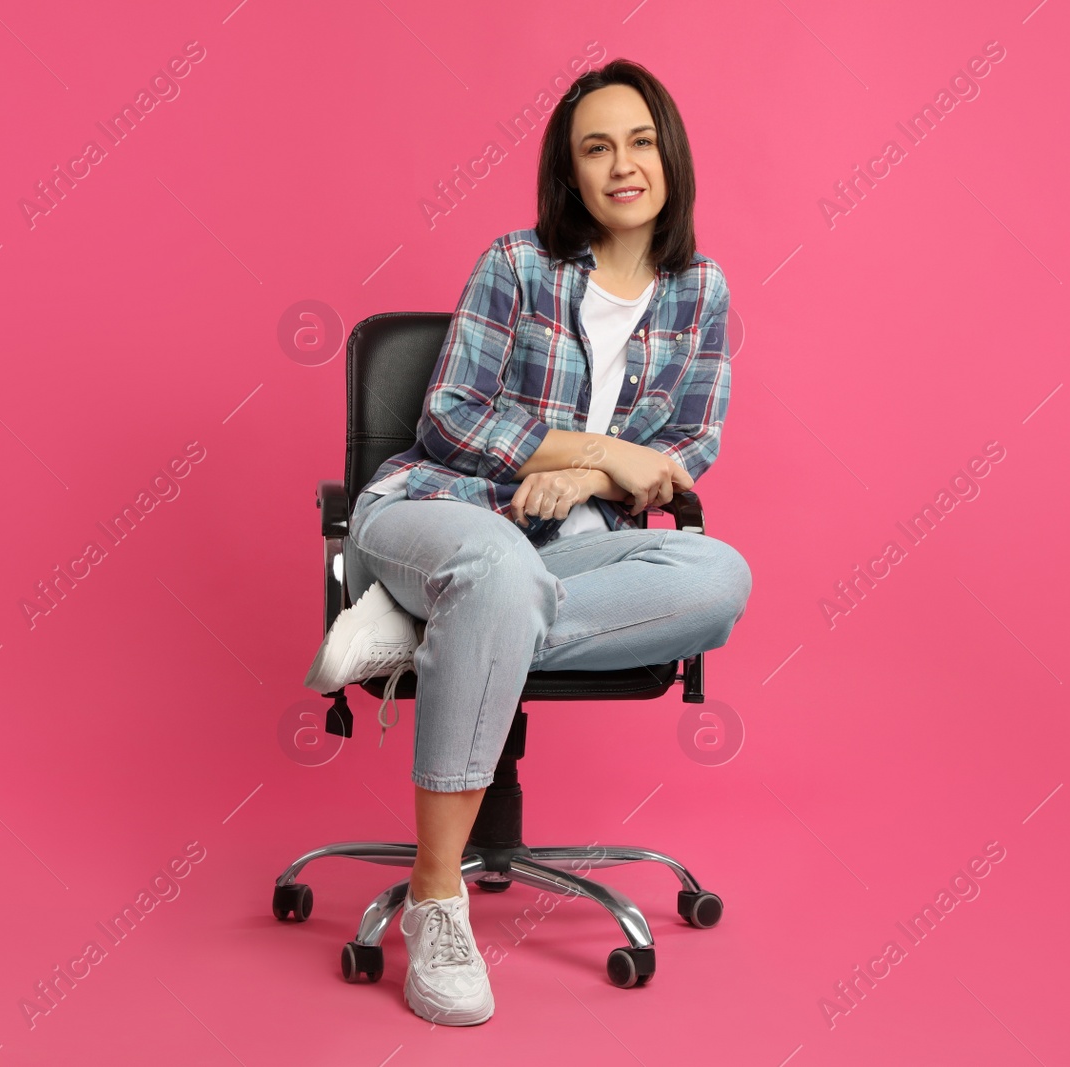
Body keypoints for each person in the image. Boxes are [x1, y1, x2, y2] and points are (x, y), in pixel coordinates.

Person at [304, 58, 752, 1026]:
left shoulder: (702, 291)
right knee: (495, 565)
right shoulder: (516, 263)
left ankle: (429, 624)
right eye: (597, 147)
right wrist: (601, 447)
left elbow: (687, 449)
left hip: (565, 552)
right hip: (435, 507)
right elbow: (453, 417)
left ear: (668, 154)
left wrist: (593, 477)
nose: (622, 165)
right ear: (570, 171)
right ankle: (435, 897)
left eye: (639, 141)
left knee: (719, 574)